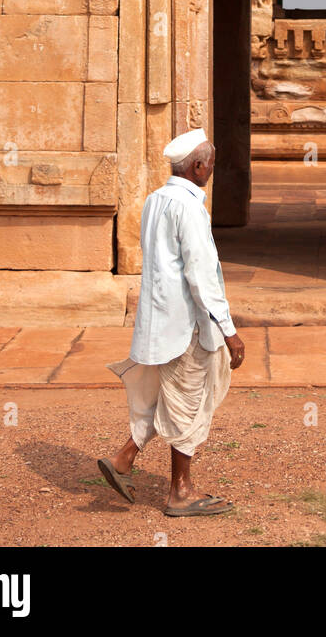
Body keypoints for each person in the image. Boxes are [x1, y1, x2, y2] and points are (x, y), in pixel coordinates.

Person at [97, 129, 245, 517]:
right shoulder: (189, 208)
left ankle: (124, 459)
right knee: (188, 404)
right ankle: (180, 492)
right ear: (198, 166)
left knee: (169, 396)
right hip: (188, 328)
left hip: (161, 323)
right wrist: (229, 331)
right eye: (210, 164)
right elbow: (201, 276)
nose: (212, 170)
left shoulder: (155, 200)